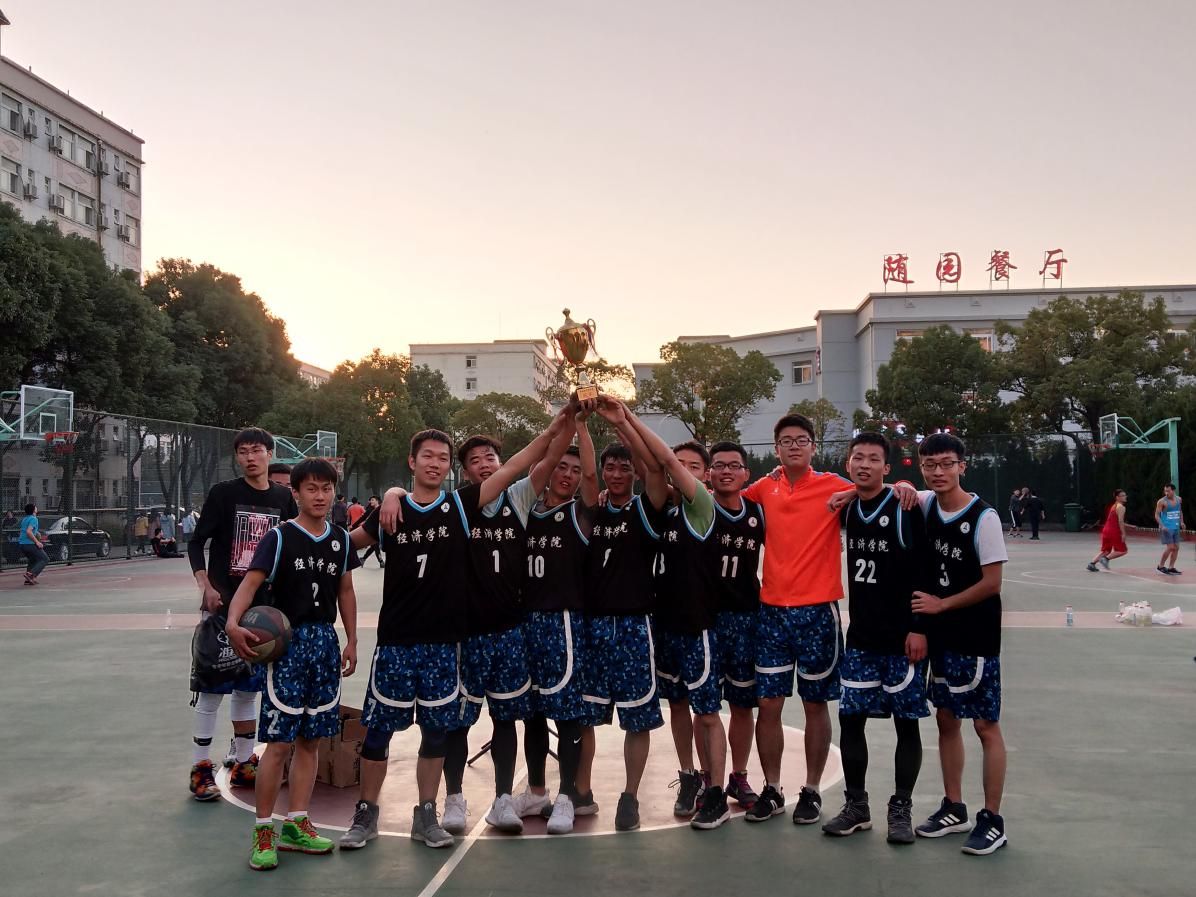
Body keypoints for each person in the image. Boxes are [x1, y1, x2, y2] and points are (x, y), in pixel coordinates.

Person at [340, 421, 567, 850]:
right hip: (396, 643)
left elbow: (517, 465)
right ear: (412, 462)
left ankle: (426, 814)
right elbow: (342, 547)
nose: (435, 463)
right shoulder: (391, 511)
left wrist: (561, 423)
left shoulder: (460, 506)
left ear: (450, 469)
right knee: (379, 733)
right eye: (427, 456)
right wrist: (295, 544)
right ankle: (366, 814)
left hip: (444, 645)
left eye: (442, 458)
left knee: (436, 734)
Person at [226, 457, 359, 871]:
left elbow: (346, 590)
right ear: (296, 493)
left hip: (324, 643)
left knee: (310, 740)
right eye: (311, 489)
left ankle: (297, 823)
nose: (320, 496)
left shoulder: (341, 539)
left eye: (326, 489)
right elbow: (250, 584)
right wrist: (232, 622)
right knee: (280, 743)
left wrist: (352, 638)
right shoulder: (279, 537)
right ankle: (264, 829)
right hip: (288, 644)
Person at [743, 413, 873, 825]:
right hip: (771, 611)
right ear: (776, 448)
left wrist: (902, 486)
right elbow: (723, 498)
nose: (794, 446)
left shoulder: (835, 486)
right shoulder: (763, 488)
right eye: (786, 441)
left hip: (818, 612)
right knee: (768, 704)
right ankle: (772, 788)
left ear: (813, 447)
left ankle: (812, 790)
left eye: (802, 440)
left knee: (815, 703)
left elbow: (876, 489)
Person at [822, 433, 929, 844]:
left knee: (907, 725)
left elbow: (922, 570)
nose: (864, 464)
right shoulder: (848, 508)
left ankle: (900, 808)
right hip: (862, 638)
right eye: (858, 458)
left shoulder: (905, 506)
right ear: (848, 464)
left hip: (903, 639)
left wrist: (919, 628)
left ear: (886, 467)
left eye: (873, 459)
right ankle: (857, 806)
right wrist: (850, 493)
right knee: (851, 721)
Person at [185, 427, 298, 801]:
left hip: (261, 612)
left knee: (248, 688)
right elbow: (196, 542)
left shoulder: (283, 498)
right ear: (237, 457)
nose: (251, 457)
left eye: (257, 450)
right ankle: (200, 768)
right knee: (211, 688)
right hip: (222, 606)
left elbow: (292, 546)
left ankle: (245, 761)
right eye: (243, 451)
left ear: (269, 454)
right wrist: (206, 585)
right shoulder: (224, 494)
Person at [910, 433, 1009, 855]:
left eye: (946, 464)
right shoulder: (926, 504)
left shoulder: (984, 517)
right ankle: (954, 807)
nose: (938, 472)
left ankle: (993, 819)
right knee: (946, 719)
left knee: (985, 725)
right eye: (930, 465)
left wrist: (942, 604)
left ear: (962, 466)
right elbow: (892, 489)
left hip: (976, 636)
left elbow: (992, 582)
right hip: (942, 638)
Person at [629, 424, 732, 830]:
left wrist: (627, 416)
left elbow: (664, 462)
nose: (683, 470)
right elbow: (649, 464)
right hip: (664, 626)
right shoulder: (663, 510)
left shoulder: (702, 506)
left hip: (696, 627)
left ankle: (717, 792)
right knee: (677, 706)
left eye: (694, 466)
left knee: (707, 713)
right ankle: (690, 776)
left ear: (704, 475)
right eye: (681, 464)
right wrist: (619, 425)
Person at [582, 398, 670, 832]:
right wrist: (581, 423)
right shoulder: (593, 510)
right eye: (610, 468)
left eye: (624, 468)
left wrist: (623, 423)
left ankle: (630, 795)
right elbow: (584, 475)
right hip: (595, 625)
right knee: (584, 715)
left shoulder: (645, 509)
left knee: (638, 717)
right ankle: (581, 791)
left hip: (635, 625)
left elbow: (656, 469)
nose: (616, 475)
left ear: (633, 473)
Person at [521, 423, 602, 834]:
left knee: (568, 714)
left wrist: (580, 425)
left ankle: (569, 797)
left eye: (574, 469)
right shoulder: (523, 512)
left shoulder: (579, 513)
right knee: (532, 713)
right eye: (561, 466)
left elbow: (591, 476)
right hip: (526, 622)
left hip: (563, 622)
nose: (568, 474)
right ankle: (537, 791)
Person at [707, 442, 765, 811]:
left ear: (746, 473)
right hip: (705, 620)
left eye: (734, 465)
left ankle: (738, 776)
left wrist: (900, 486)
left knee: (743, 704)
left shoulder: (758, 512)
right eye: (719, 465)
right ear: (708, 473)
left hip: (745, 618)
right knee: (706, 707)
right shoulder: (697, 507)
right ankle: (707, 778)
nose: (726, 471)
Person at [1088, 489, 1128, 572]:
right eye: (1123, 495)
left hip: (1106, 530)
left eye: (1125, 495)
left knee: (1106, 550)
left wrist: (1129, 525)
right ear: (1117, 497)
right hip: (1114, 532)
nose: (1125, 497)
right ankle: (1105, 559)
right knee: (1123, 551)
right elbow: (1120, 521)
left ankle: (1091, 564)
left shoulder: (1114, 506)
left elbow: (1115, 520)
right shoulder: (1121, 507)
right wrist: (1123, 533)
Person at [17, 503, 50, 586]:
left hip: (22, 544)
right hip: (29, 544)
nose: (36, 508)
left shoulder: (25, 519)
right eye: (35, 507)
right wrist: (37, 542)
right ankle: (31, 574)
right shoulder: (34, 519)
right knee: (45, 559)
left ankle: (28, 580)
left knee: (33, 559)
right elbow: (28, 531)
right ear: (33, 510)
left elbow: (24, 531)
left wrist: (37, 534)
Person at [1154, 484, 1183, 575]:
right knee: (1170, 547)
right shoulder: (1162, 501)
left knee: (1176, 548)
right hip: (1166, 528)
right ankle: (1160, 566)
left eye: (1168, 491)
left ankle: (1171, 567)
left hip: (1176, 527)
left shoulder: (1179, 499)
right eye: (1165, 491)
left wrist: (1182, 522)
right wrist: (1162, 525)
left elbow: (1180, 511)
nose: (1166, 493)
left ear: (1173, 491)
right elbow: (1156, 515)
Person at [357, 497, 385, 568]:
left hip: (379, 531)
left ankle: (363, 559)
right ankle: (381, 561)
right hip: (372, 532)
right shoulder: (370, 510)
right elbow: (363, 518)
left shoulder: (382, 509)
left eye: (372, 500)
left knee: (373, 547)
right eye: (370, 500)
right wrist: (353, 525)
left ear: (377, 501)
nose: (371, 501)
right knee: (376, 546)